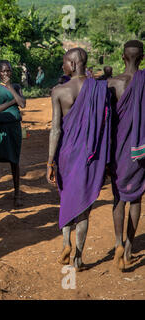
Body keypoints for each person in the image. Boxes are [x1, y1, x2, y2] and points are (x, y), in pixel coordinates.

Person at [47, 48, 111, 271]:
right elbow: (105, 125)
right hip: (90, 155)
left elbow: (55, 130)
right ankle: (78, 258)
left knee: (66, 199)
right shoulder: (100, 89)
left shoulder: (59, 91)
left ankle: (65, 243)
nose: (62, 67)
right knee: (84, 207)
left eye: (64, 63)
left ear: (73, 64)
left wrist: (49, 162)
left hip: (66, 153)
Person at [107, 40, 144, 271]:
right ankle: (129, 247)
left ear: (122, 57)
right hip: (140, 149)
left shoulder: (113, 84)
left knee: (118, 197)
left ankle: (118, 242)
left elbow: (106, 121)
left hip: (118, 148)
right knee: (137, 198)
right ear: (141, 58)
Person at [0, 60, 26, 208]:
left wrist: (11, 88)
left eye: (8, 71)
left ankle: (17, 195)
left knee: (14, 161)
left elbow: (22, 103)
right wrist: (12, 102)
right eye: (3, 71)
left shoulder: (16, 86)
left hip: (14, 128)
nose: (6, 74)